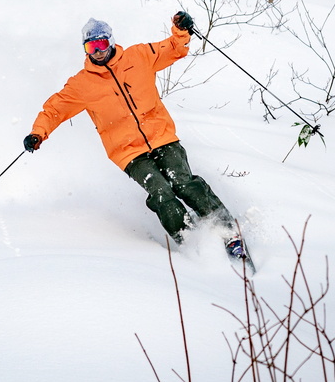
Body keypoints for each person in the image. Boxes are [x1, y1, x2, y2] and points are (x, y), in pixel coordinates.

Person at [23, 13, 246, 262]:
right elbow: (55, 109)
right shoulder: (81, 85)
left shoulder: (138, 56)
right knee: (161, 192)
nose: (97, 51)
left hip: (162, 137)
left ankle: (228, 232)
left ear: (110, 41)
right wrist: (37, 133)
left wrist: (181, 30)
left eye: (101, 44)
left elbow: (174, 49)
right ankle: (191, 238)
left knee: (183, 182)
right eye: (90, 47)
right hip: (129, 152)